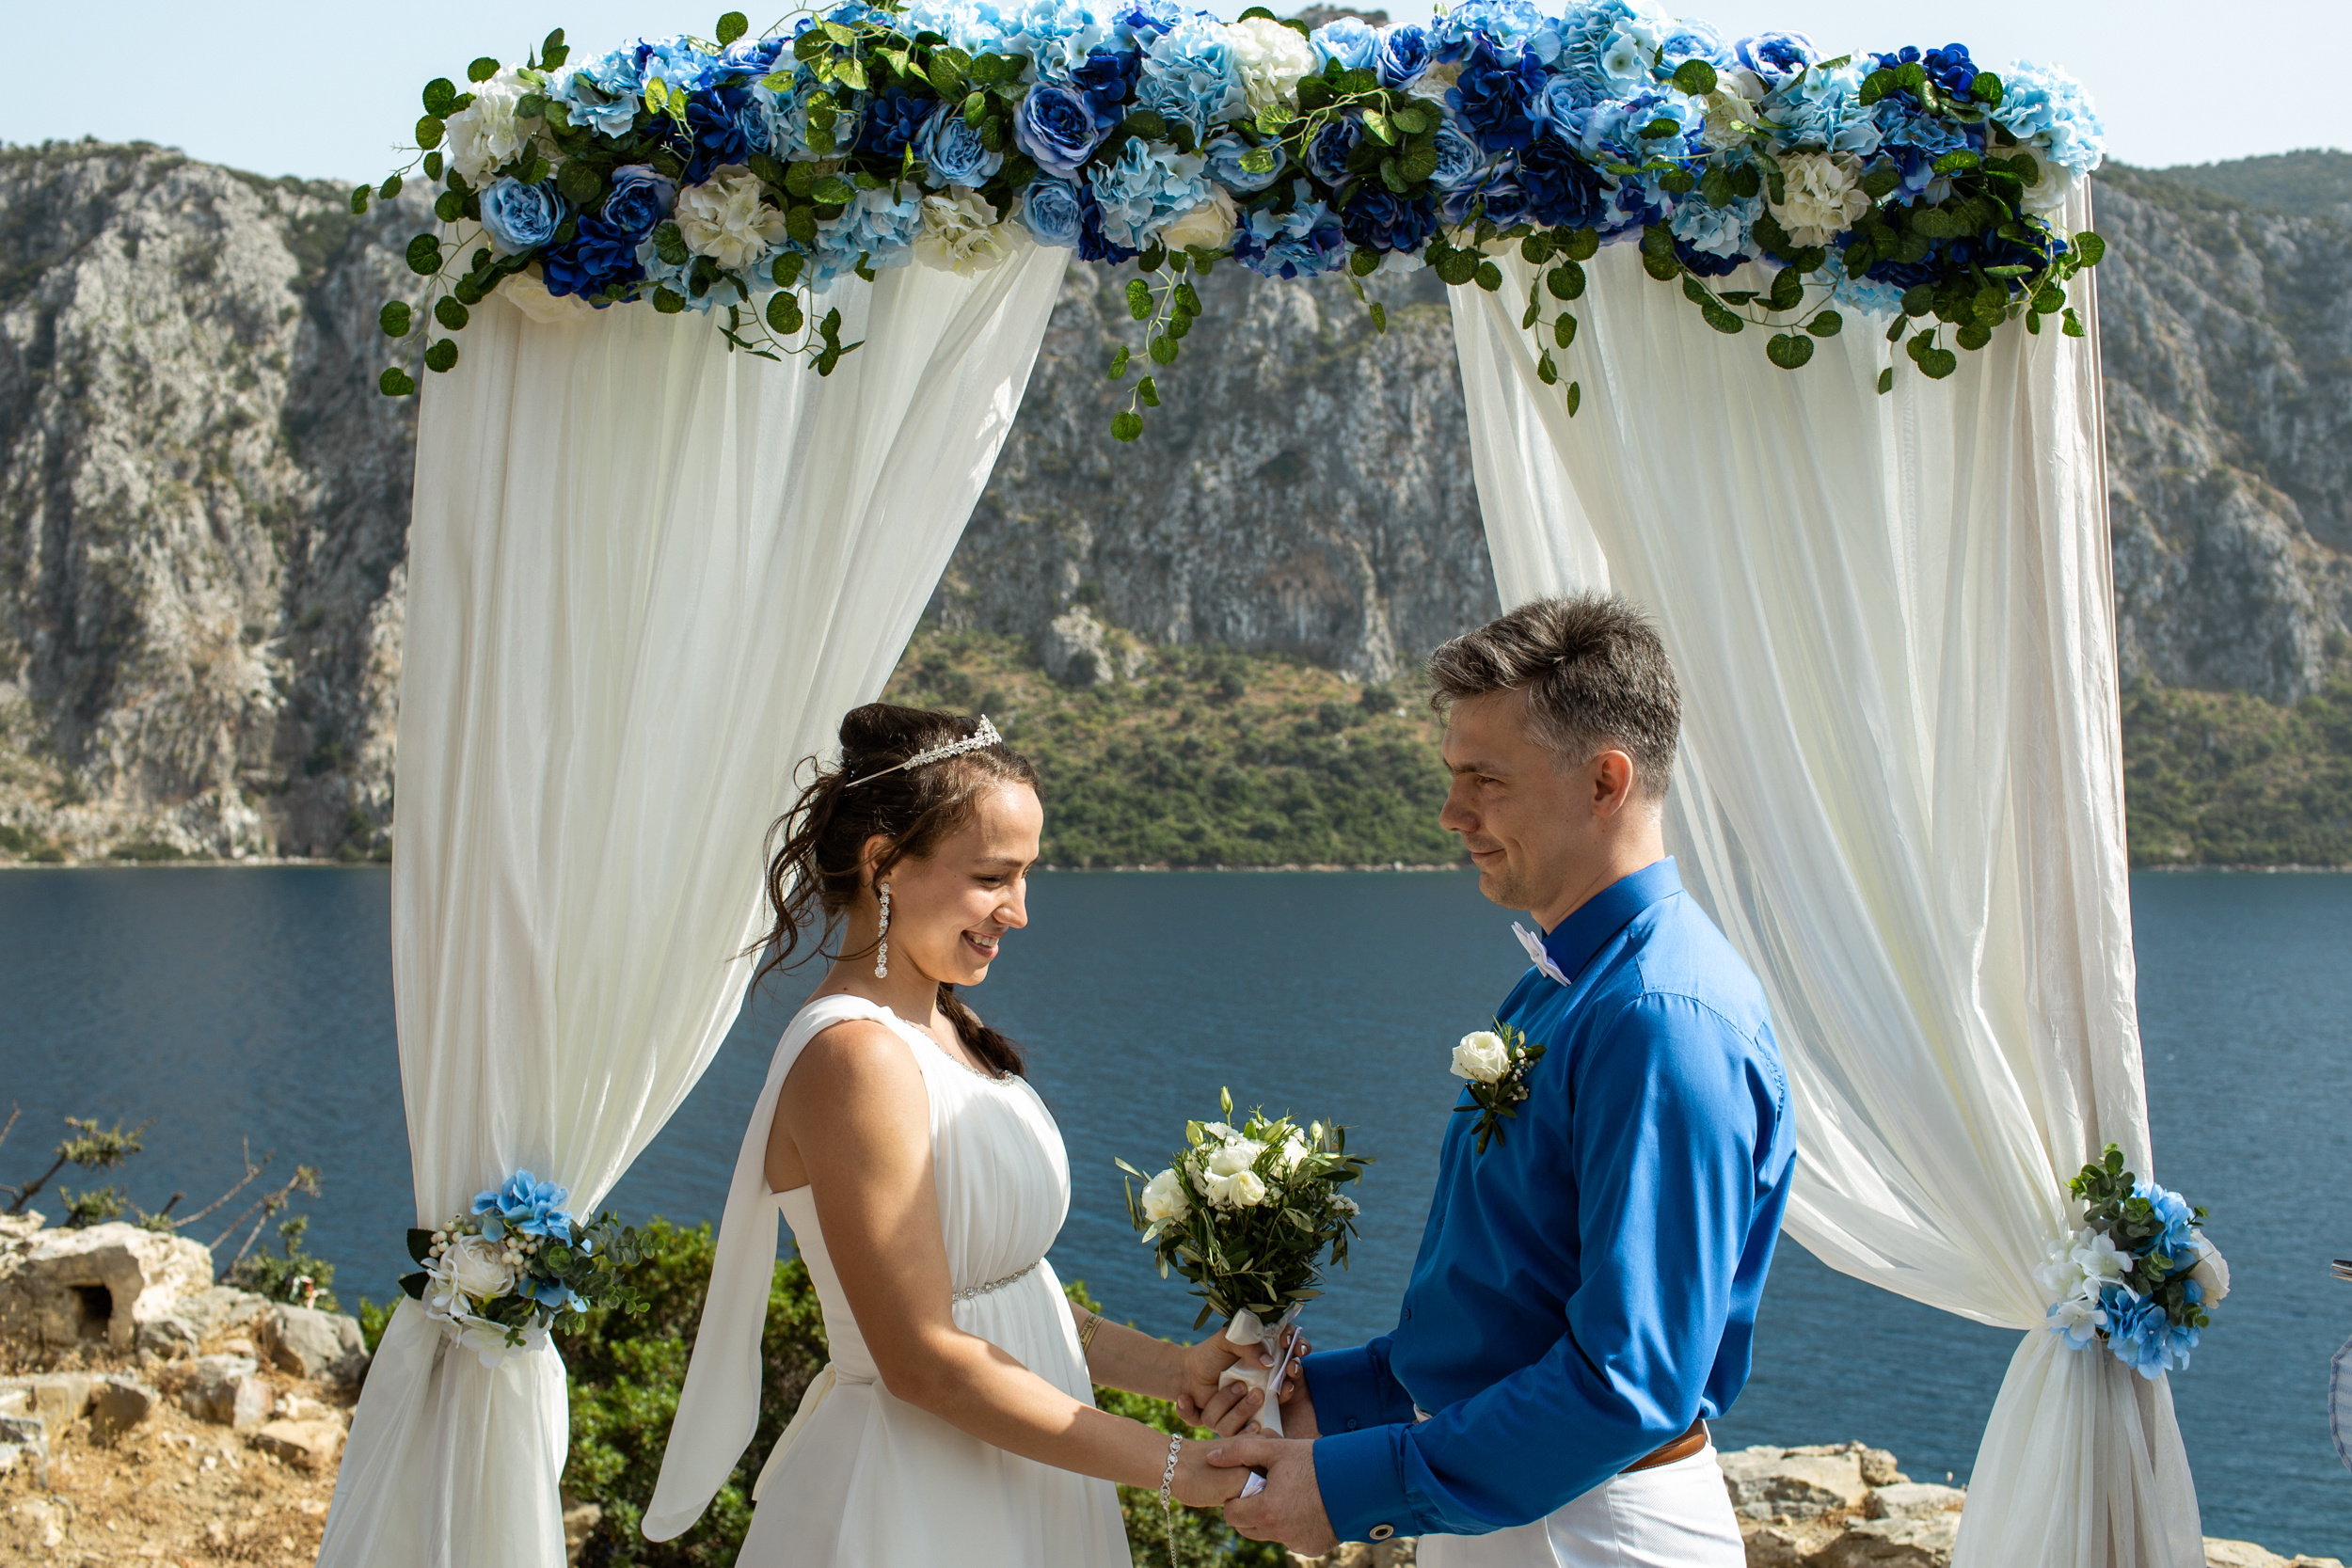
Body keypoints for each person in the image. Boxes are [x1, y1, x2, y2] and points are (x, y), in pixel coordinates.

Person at [1206, 594, 1798, 1567]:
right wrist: (1320, 1398)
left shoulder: (1658, 1018)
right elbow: (1502, 1310)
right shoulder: (1557, 988)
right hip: (1518, 1509)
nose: (1451, 815)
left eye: (1486, 780)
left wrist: (1354, 1485)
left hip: (1595, 1531)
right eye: (1453, 778)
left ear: (1606, 780)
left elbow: (1630, 1380)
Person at [644, 704, 1285, 1565]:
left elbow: (1009, 1294)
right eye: (994, 876)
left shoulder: (944, 1021)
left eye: (1026, 875)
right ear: (883, 865)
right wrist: (1175, 1467)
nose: (1018, 910)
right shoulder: (854, 1059)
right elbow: (923, 1359)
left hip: (1025, 1465)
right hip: (915, 1497)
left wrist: (1174, 1371)